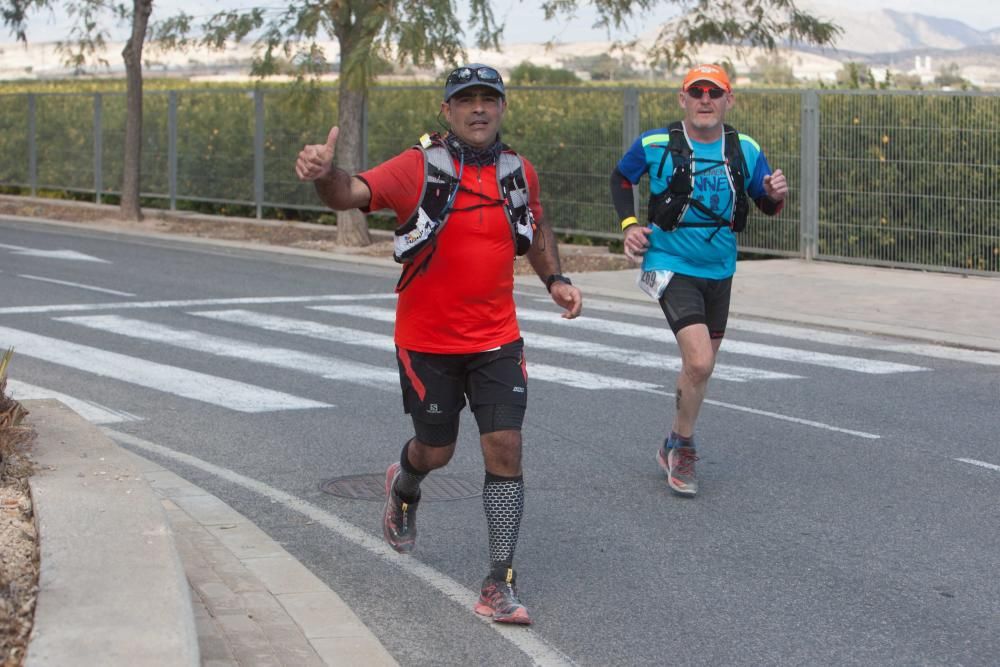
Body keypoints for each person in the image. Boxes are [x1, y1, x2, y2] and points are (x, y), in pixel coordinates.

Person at [295, 63, 582, 625]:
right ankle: (404, 485)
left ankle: (499, 581)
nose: (479, 109)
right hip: (427, 342)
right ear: (446, 110)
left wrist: (556, 279)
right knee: (438, 450)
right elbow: (351, 193)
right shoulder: (418, 166)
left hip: (498, 339)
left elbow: (536, 226)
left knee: (506, 448)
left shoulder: (517, 171)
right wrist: (323, 174)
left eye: (488, 99)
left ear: (501, 108)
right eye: (466, 100)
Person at [609, 63, 788, 497]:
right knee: (701, 360)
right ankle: (685, 447)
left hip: (720, 269)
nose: (705, 100)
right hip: (668, 263)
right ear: (682, 99)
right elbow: (620, 177)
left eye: (714, 92)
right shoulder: (655, 143)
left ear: (729, 100)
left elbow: (764, 202)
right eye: (697, 92)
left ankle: (673, 439)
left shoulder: (744, 147)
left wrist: (776, 195)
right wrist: (630, 224)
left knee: (700, 367)